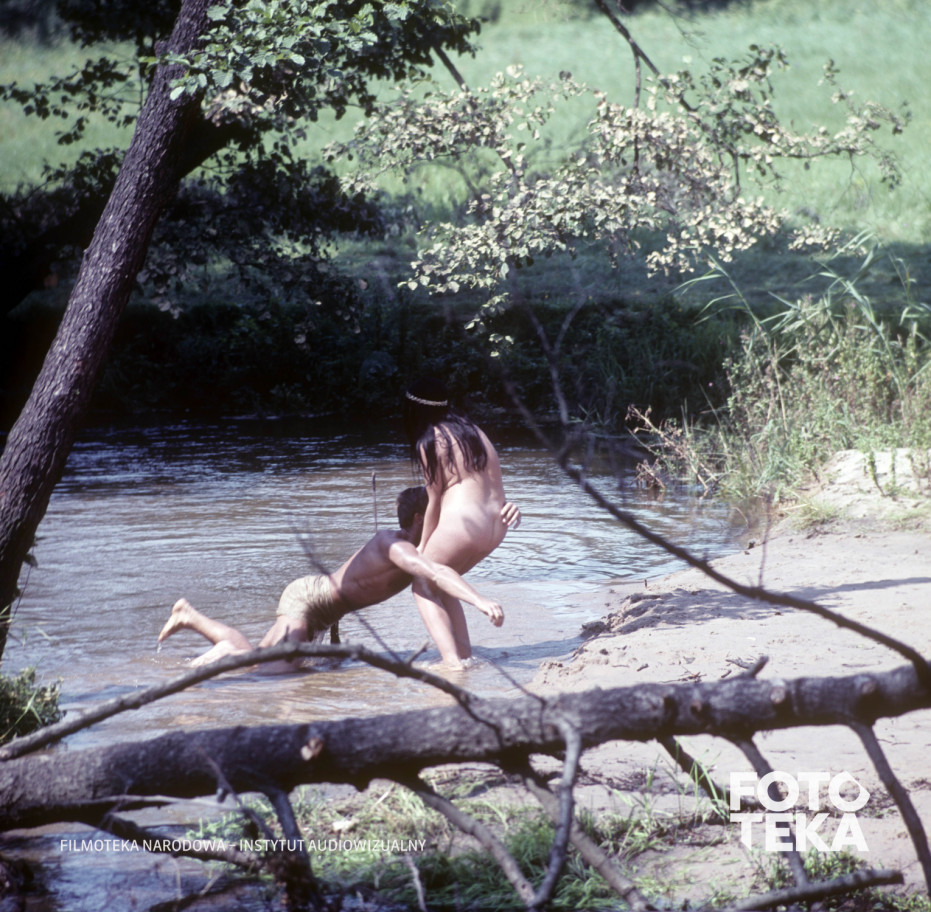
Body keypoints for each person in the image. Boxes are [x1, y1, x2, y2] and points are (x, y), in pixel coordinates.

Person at [158, 486, 520, 673]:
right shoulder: (398, 548)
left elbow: (453, 558)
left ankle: (189, 616)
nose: (442, 523)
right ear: (417, 518)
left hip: (321, 605)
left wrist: (498, 514)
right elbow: (438, 573)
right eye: (435, 515)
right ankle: (224, 654)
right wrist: (480, 601)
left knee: (257, 661)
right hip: (308, 601)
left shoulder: (417, 548)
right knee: (271, 676)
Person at [402, 377, 515, 669]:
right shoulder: (475, 432)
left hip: (464, 526)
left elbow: (434, 502)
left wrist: (421, 549)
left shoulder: (431, 440)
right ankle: (464, 657)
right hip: (497, 524)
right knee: (443, 581)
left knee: (422, 582)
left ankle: (451, 662)